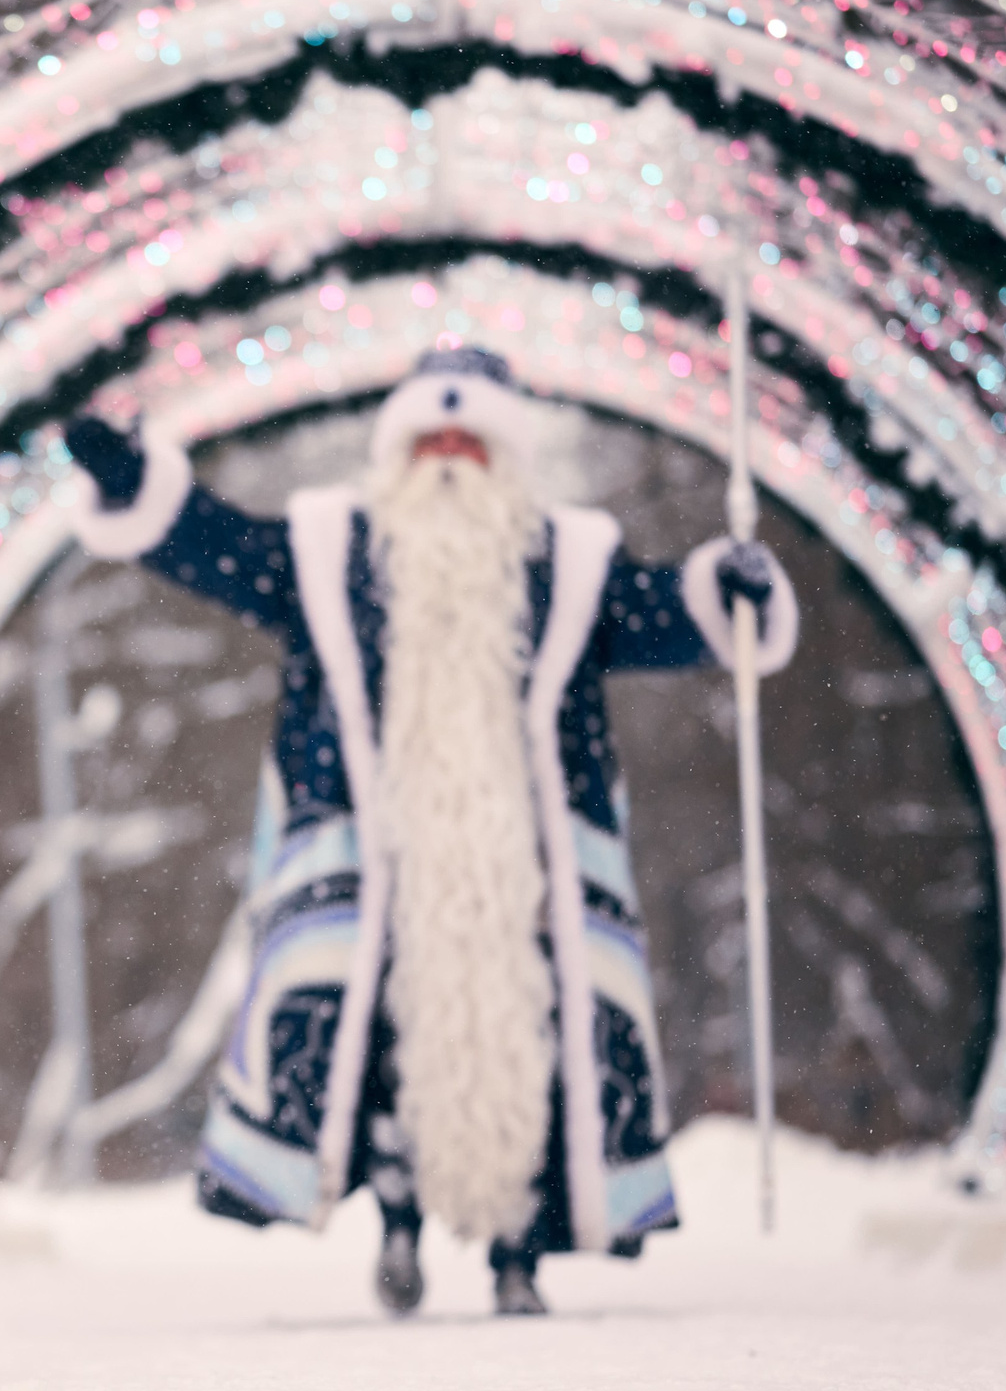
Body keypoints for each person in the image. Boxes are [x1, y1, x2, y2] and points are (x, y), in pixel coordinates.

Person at [62, 348, 796, 1315]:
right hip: (373, 856)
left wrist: (729, 591)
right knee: (369, 1046)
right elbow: (213, 545)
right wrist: (132, 483)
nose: (449, 457)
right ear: (396, 453)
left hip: (526, 869)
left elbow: (668, 619)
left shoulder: (570, 564)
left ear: (506, 457)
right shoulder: (327, 555)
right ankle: (400, 1224)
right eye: (431, 439)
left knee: (534, 1045)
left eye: (471, 439)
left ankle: (517, 1252)